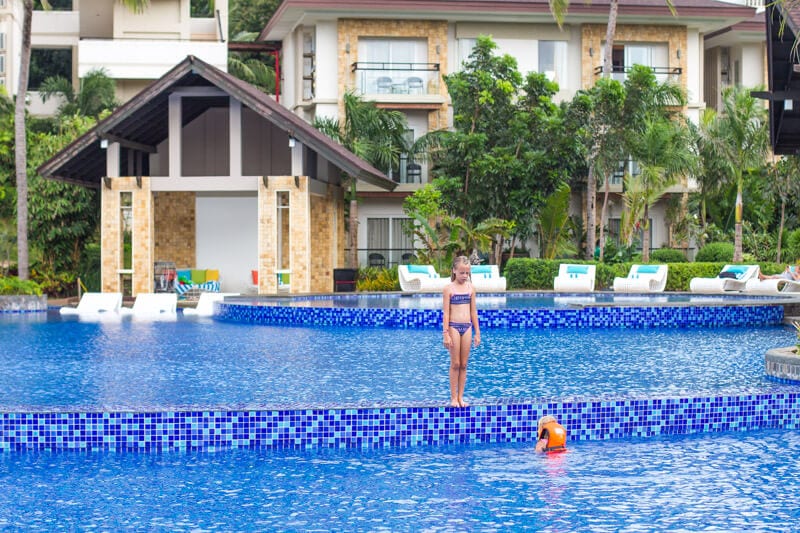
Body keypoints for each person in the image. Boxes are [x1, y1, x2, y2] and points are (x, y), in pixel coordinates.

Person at [442, 255, 481, 408]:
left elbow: (473, 312)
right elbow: (446, 313)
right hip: (453, 327)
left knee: (464, 364)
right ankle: (453, 398)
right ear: (454, 271)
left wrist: (477, 332)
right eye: (462, 273)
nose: (465, 276)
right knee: (455, 363)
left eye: (467, 273)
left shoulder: (471, 288)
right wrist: (445, 333)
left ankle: (460, 397)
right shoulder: (448, 289)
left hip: (467, 327)